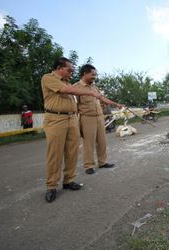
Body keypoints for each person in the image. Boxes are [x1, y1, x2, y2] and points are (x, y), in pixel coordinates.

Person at [41, 57, 106, 203]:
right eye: (69, 70)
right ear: (59, 68)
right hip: (56, 119)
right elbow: (65, 90)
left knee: (72, 151)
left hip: (72, 119)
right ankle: (51, 186)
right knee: (55, 154)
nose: (72, 72)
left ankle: (69, 180)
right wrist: (90, 93)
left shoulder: (68, 82)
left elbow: (69, 90)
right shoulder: (48, 78)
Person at [73, 64, 123, 175]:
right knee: (89, 143)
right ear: (85, 74)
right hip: (86, 118)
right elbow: (74, 106)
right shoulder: (75, 87)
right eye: (92, 74)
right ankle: (88, 166)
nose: (94, 77)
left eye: (95, 75)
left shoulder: (94, 87)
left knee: (102, 141)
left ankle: (102, 162)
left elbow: (103, 98)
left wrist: (116, 104)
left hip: (99, 117)